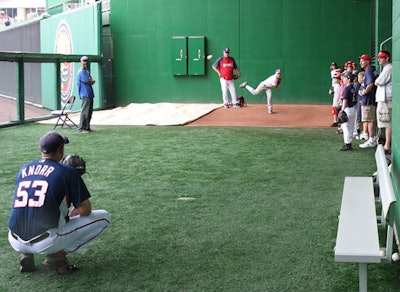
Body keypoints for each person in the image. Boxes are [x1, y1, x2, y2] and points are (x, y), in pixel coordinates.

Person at [8, 131, 110, 274]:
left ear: (40, 149)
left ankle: (25, 254)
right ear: (61, 149)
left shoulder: (24, 169)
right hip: (45, 241)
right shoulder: (67, 172)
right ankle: (57, 256)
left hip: (14, 238)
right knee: (104, 217)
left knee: (32, 213)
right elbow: (85, 211)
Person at [358, 54, 378, 148]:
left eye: (362, 60)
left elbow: (370, 84)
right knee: (370, 119)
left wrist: (364, 92)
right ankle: (372, 138)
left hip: (369, 100)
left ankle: (371, 139)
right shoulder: (370, 70)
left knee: (370, 120)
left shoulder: (369, 71)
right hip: (371, 99)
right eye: (360, 60)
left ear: (368, 61)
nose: (360, 62)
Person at [375, 50, 392, 153]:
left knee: (387, 123)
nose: (379, 59)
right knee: (384, 122)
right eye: (379, 57)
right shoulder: (386, 68)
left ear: (387, 58)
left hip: (386, 99)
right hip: (384, 99)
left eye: (381, 57)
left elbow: (378, 82)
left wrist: (377, 81)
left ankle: (387, 145)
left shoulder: (388, 68)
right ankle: (384, 142)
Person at [338, 72, 357, 151]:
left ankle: (347, 144)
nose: (343, 79)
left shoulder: (347, 88)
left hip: (348, 109)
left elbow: (345, 100)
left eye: (345, 78)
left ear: (349, 79)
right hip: (353, 109)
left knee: (346, 127)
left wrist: (342, 110)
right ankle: (349, 143)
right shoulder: (353, 87)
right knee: (351, 126)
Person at [77, 56, 96, 133]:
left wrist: (91, 81)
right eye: (83, 61)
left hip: (90, 93)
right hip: (85, 94)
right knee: (85, 112)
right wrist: (90, 81)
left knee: (89, 112)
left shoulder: (87, 72)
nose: (85, 62)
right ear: (81, 62)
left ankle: (87, 127)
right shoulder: (80, 72)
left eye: (86, 61)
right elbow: (89, 81)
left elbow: (91, 81)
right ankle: (81, 128)